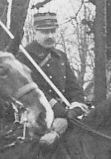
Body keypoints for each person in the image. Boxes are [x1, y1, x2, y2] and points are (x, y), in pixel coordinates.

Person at [21, 9, 89, 147]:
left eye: (53, 31)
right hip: (37, 115)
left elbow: (73, 87)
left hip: (63, 114)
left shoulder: (60, 56)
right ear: (36, 32)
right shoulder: (25, 56)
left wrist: (76, 107)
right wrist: (60, 111)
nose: (50, 36)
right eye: (45, 32)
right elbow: (32, 90)